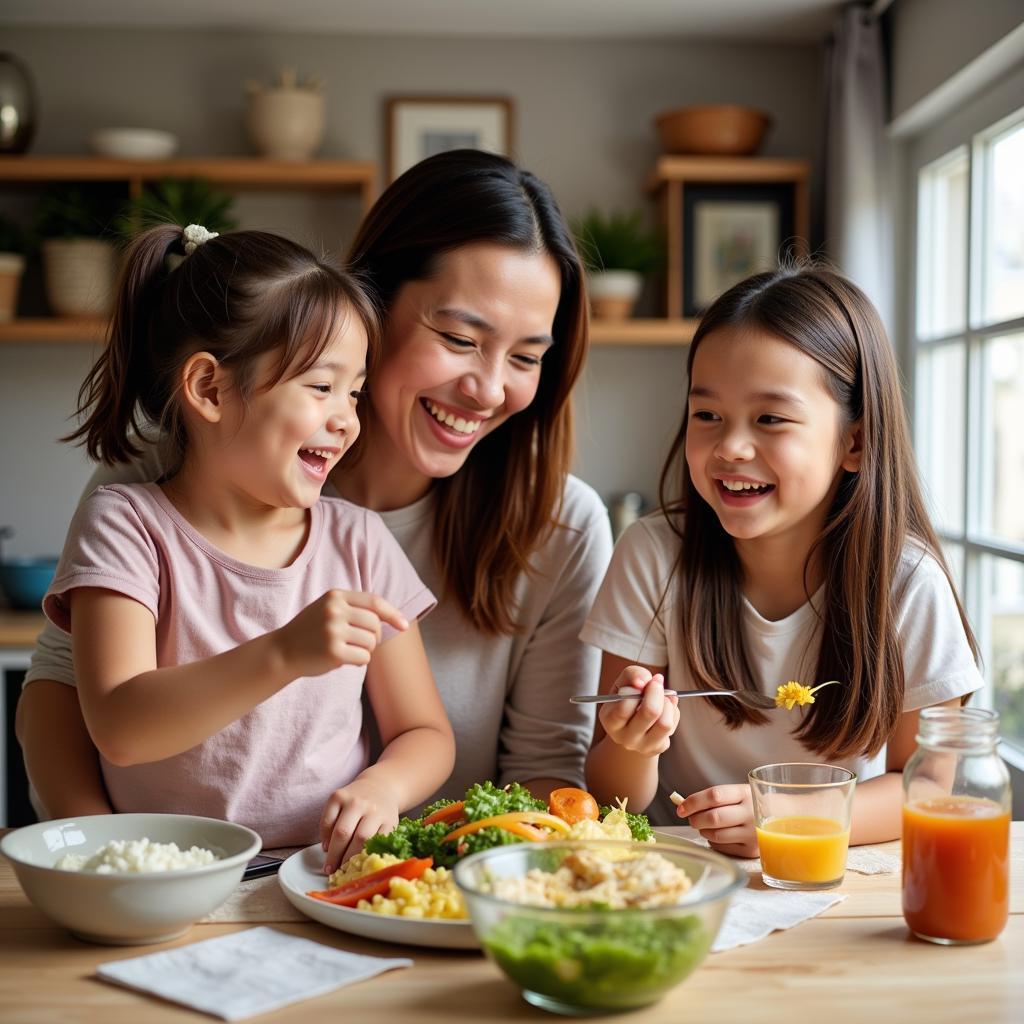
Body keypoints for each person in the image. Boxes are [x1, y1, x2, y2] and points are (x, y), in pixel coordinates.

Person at [18, 150, 611, 824]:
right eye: (456, 336)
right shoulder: (155, 480)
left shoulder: (551, 525)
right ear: (370, 307)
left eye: (528, 357)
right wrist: (108, 859)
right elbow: (67, 695)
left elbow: (536, 771)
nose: (489, 388)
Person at [33, 224, 454, 870]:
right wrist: (284, 652)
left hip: (319, 875)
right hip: (164, 880)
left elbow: (425, 734)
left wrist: (383, 786)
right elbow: (119, 726)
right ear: (208, 388)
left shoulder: (361, 542)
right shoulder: (126, 525)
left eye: (354, 391)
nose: (347, 419)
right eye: (320, 387)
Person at [582, 265, 982, 858]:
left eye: (770, 418)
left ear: (855, 441)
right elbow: (617, 796)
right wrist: (634, 743)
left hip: (836, 875)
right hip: (683, 873)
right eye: (707, 415)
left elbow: (923, 784)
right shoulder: (653, 555)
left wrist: (789, 816)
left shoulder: (908, 584)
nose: (731, 447)